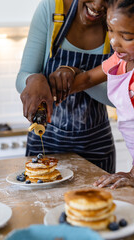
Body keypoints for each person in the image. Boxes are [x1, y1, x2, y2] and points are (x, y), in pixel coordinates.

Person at [16, 0, 116, 173]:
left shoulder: (118, 21)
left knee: (98, 200)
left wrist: (81, 76)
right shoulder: (52, 9)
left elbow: (120, 97)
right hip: (45, 142)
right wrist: (34, 79)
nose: (98, 5)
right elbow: (22, 78)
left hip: (96, 145)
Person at [60, 0, 134, 189]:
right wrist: (51, 93)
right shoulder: (119, 60)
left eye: (126, 36)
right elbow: (87, 79)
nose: (114, 42)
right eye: (110, 30)